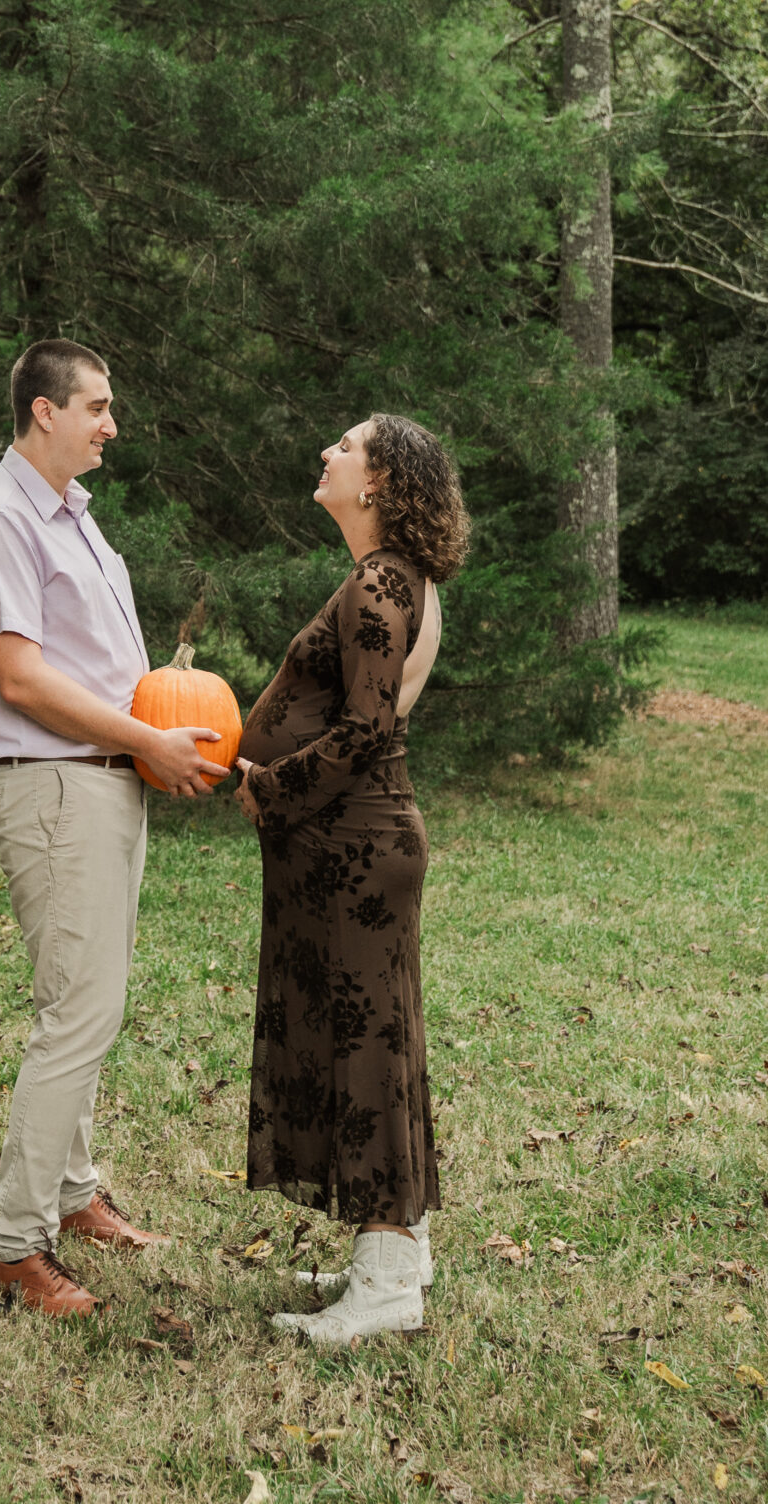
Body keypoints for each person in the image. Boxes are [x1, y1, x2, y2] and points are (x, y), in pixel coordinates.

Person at [0, 338, 232, 1320]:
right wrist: (147, 739)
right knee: (78, 1013)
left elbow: (100, 665)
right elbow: (20, 678)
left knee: (82, 1003)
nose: (112, 424)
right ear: (42, 411)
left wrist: (149, 744)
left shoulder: (74, 519)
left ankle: (71, 1199)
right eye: (97, 406)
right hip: (50, 786)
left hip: (102, 781)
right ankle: (13, 1246)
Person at [233, 412, 469, 1344]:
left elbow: (369, 729)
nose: (325, 450)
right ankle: (395, 1252)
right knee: (377, 1037)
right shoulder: (384, 575)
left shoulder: (379, 579)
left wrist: (270, 786)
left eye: (344, 443)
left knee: (363, 1050)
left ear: (375, 481)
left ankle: (383, 1288)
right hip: (347, 845)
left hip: (353, 847)